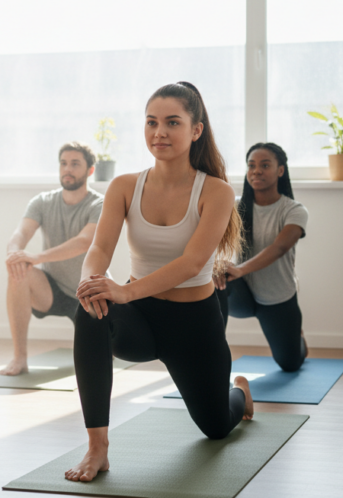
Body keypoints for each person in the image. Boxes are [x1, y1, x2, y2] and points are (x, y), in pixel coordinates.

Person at [67, 82, 253, 482]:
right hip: (142, 320)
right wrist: (92, 282)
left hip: (194, 323)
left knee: (217, 428)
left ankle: (239, 393)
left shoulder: (216, 191)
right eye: (152, 122)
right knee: (90, 311)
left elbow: (192, 262)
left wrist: (124, 290)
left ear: (196, 130)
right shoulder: (125, 186)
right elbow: (99, 249)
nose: (159, 132)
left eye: (173, 122)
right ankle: (97, 448)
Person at [0, 142, 104, 376]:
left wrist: (36, 257)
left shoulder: (99, 204)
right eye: (64, 163)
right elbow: (21, 234)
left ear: (90, 170)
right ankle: (19, 358)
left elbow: (83, 241)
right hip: (54, 290)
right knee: (19, 272)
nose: (68, 169)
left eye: (75, 164)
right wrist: (14, 255)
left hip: (90, 293)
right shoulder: (42, 201)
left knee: (105, 355)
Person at [215, 142, 308, 372]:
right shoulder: (236, 207)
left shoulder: (294, 210)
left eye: (265, 165)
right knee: (217, 282)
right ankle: (212, 352)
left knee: (290, 364)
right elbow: (212, 239)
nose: (256, 171)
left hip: (276, 297)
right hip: (242, 293)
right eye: (252, 165)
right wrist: (218, 265)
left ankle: (299, 339)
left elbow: (279, 248)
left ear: (280, 171)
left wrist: (240, 269)